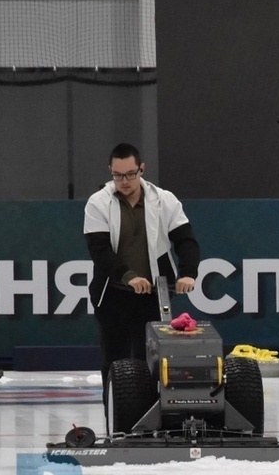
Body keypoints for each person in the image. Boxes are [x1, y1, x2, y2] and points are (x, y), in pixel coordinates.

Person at [83, 143, 200, 410]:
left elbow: (185, 240)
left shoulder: (164, 200)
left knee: (152, 361)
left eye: (130, 174)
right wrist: (128, 276)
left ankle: (150, 418)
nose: (124, 181)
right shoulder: (98, 203)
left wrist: (188, 273)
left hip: (153, 296)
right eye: (117, 175)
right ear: (110, 171)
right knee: (115, 362)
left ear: (142, 169)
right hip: (112, 293)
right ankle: (116, 419)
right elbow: (99, 250)